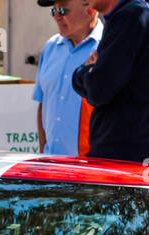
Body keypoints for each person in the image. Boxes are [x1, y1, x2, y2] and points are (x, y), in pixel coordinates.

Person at [71, 0, 149, 164]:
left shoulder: (131, 17)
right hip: (125, 154)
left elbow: (98, 89)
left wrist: (81, 73)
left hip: (123, 158)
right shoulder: (127, 16)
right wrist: (90, 72)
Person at [33, 0, 103, 157]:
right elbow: (43, 103)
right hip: (51, 166)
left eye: (63, 11)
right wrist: (44, 153)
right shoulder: (50, 48)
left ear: (90, 10)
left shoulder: (107, 49)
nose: (56, 17)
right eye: (54, 11)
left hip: (91, 170)